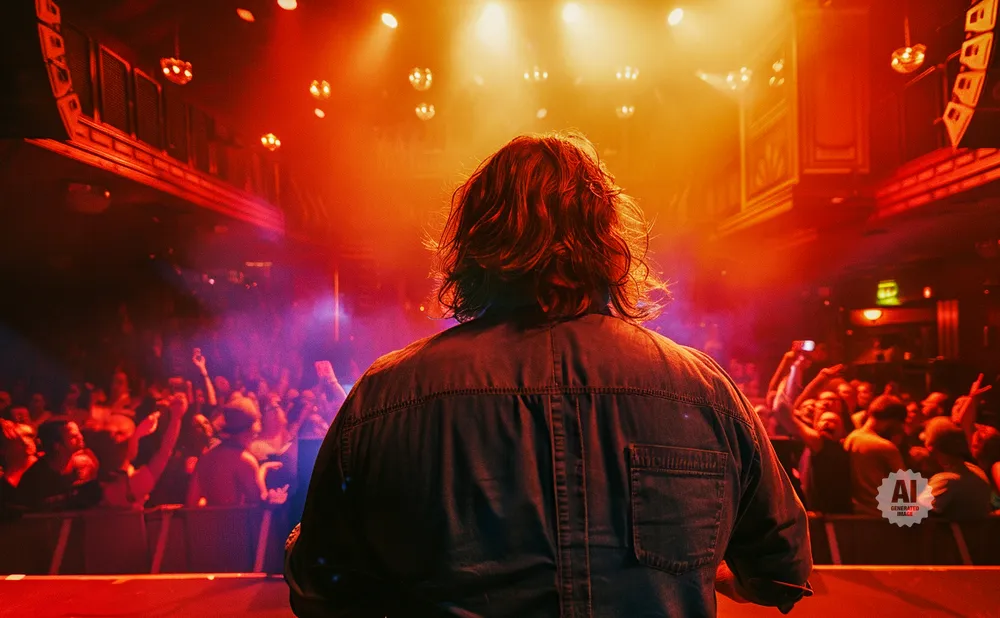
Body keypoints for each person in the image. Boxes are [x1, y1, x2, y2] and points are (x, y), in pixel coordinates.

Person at [286, 132, 812, 617]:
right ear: (608, 242)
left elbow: (322, 591)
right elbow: (781, 572)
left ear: (474, 246)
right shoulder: (702, 390)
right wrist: (689, 573)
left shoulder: (387, 395)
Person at [186, 398, 287, 507]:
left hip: (208, 523)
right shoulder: (245, 460)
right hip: (235, 523)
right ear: (251, 427)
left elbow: (191, 502)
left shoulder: (206, 457)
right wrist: (263, 470)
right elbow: (259, 504)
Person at [16, 419, 100, 511]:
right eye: (73, 436)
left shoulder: (85, 465)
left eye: (79, 433)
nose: (80, 437)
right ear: (56, 444)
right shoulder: (35, 476)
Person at [843, 395, 906, 516]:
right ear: (893, 421)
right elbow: (907, 492)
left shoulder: (851, 438)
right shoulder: (886, 447)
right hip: (881, 515)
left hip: (857, 511)